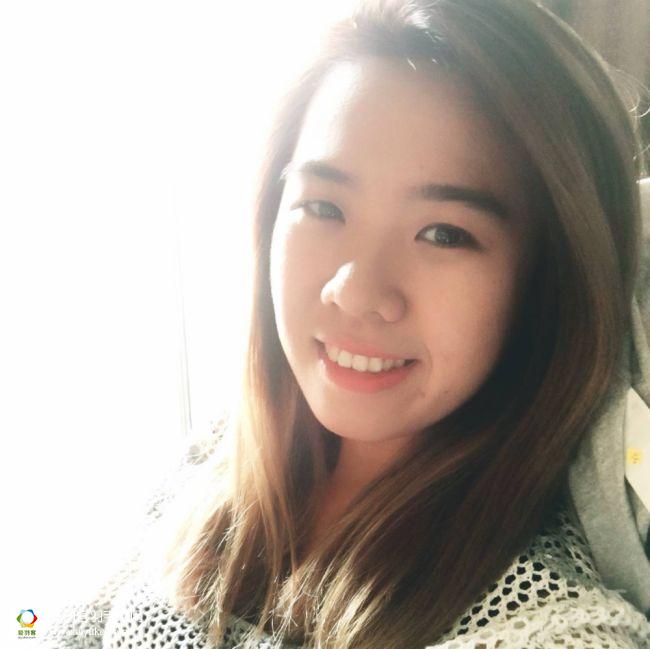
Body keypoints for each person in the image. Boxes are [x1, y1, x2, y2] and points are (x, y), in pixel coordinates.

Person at [41, 0, 650, 647]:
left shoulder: (552, 626)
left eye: (444, 233)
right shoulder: (226, 451)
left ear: (548, 281)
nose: (354, 291)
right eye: (324, 206)